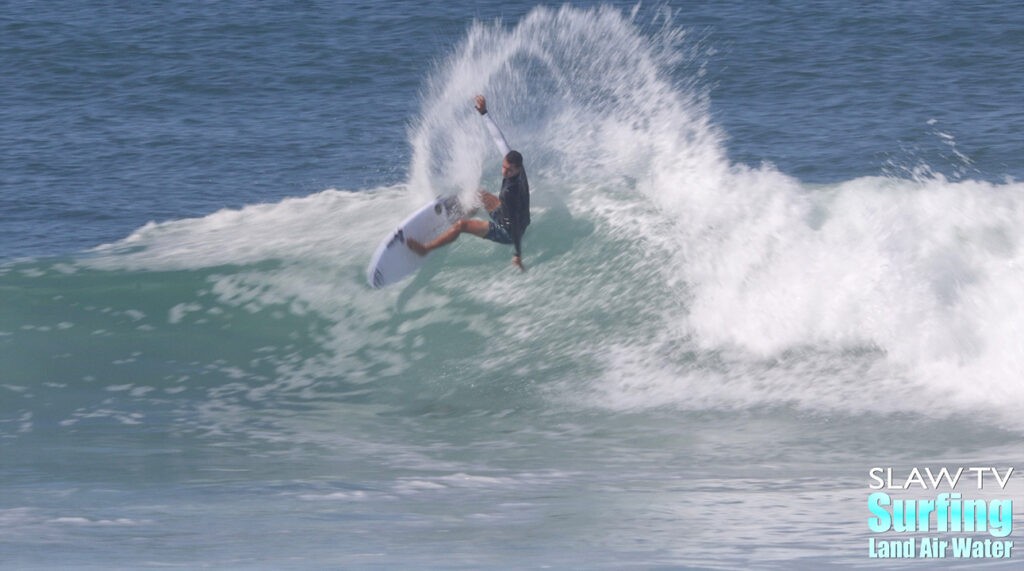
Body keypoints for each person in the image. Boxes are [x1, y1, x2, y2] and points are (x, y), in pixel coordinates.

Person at [407, 95, 530, 272]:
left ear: (517, 169)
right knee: (477, 195)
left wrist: (517, 253)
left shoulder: (510, 193)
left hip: (508, 231)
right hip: (512, 216)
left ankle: (425, 249)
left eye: (509, 171)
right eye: (504, 167)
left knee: (461, 226)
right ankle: (459, 213)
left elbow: (516, 227)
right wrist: (485, 113)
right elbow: (499, 140)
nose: (504, 172)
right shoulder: (517, 167)